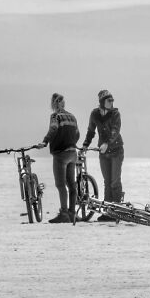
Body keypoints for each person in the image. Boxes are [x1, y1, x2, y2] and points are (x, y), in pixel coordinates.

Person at [36, 93, 80, 224]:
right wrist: (71, 142)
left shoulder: (55, 116)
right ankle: (72, 214)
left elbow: (54, 128)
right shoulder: (72, 117)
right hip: (73, 153)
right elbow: (77, 134)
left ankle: (63, 213)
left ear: (54, 104)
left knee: (61, 185)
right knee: (72, 185)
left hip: (61, 154)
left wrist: (45, 142)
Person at [82, 89, 124, 222]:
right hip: (103, 153)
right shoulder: (95, 114)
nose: (111, 103)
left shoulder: (115, 113)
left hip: (116, 150)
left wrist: (107, 143)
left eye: (112, 100)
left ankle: (116, 210)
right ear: (102, 102)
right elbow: (90, 131)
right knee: (107, 182)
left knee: (115, 182)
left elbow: (115, 130)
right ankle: (107, 212)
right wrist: (85, 145)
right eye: (109, 100)